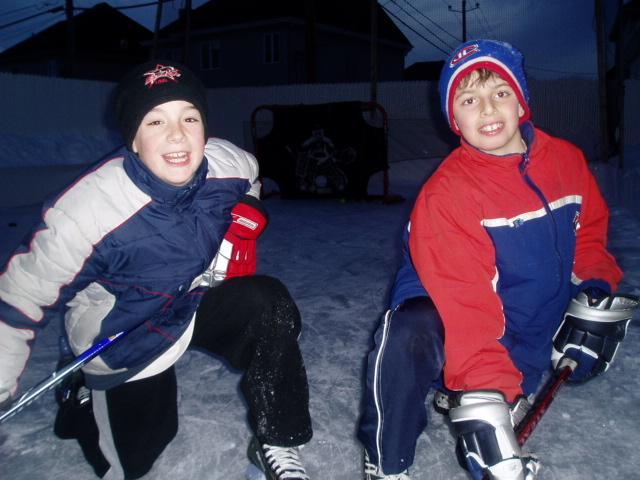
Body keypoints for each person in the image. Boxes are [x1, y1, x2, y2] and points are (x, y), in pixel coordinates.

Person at [0, 60, 312, 480]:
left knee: (267, 302)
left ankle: (276, 440)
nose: (177, 134)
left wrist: (246, 210)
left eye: (190, 117)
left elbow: (251, 173)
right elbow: (19, 296)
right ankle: (78, 392)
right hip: (127, 329)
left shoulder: (227, 163)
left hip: (193, 296)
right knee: (141, 455)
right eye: (155, 121)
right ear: (132, 138)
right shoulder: (87, 209)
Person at [358, 39, 637, 480]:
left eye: (500, 93)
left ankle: (485, 380)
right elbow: (467, 304)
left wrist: (593, 289)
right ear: (453, 118)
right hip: (452, 308)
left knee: (499, 369)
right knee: (412, 328)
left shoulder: (566, 161)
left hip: (516, 312)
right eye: (469, 100)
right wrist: (487, 389)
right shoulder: (448, 194)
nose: (487, 110)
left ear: (522, 102)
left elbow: (589, 236)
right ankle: (387, 458)